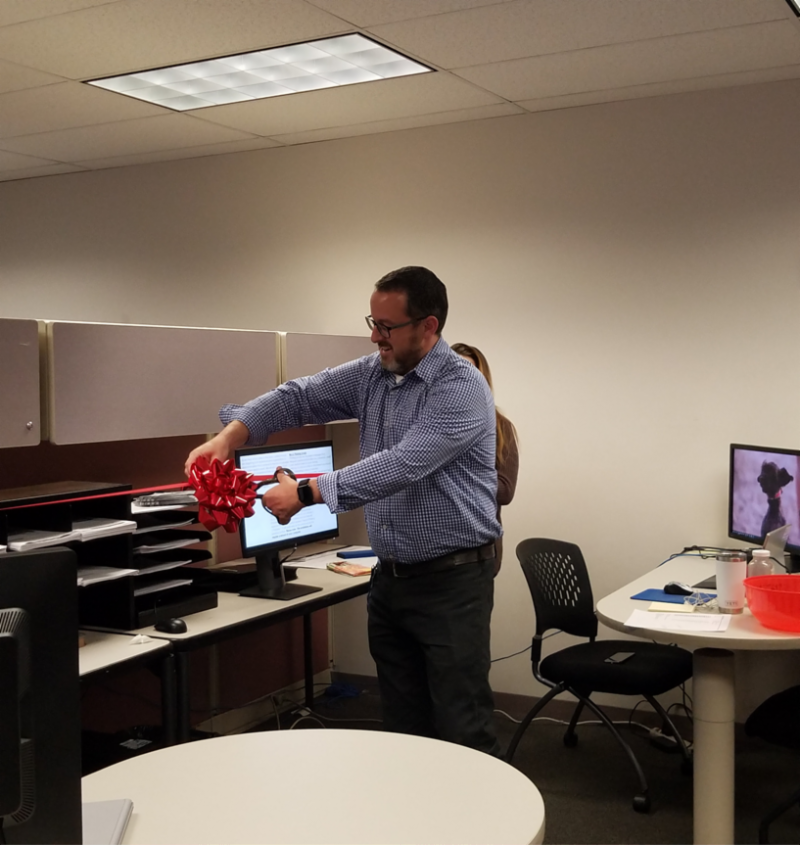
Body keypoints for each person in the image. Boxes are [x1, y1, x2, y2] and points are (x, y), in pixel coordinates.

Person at [185, 266, 502, 755]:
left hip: (452, 585)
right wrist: (231, 436)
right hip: (390, 581)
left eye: (387, 326)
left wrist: (306, 493)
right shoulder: (374, 373)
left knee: (463, 726)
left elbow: (403, 464)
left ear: (428, 326)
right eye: (372, 323)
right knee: (403, 728)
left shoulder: (460, 387)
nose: (375, 337)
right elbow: (299, 397)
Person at [451, 343, 519, 575]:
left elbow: (505, 491)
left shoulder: (500, 427)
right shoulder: (428, 423)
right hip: (431, 552)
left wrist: (456, 471)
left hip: (477, 552)